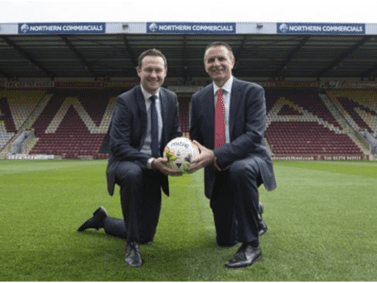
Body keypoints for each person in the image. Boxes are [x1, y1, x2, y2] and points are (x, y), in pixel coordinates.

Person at [78, 48, 182, 267]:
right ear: (139, 71)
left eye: (158, 70)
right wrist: (150, 161)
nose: (154, 75)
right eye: (149, 70)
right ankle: (131, 245)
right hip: (126, 162)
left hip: (154, 167)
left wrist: (181, 154)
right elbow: (117, 145)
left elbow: (173, 135)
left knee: (147, 235)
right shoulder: (125, 100)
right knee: (133, 174)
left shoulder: (171, 99)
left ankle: (103, 220)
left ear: (165, 72)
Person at [187, 41, 277, 269]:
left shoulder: (253, 91)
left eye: (221, 59)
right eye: (210, 60)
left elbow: (254, 136)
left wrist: (216, 155)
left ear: (232, 62)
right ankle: (254, 211)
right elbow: (196, 139)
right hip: (218, 169)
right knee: (225, 240)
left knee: (240, 169)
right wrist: (188, 155)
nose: (216, 64)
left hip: (251, 159)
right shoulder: (198, 100)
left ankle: (251, 245)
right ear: (205, 65)